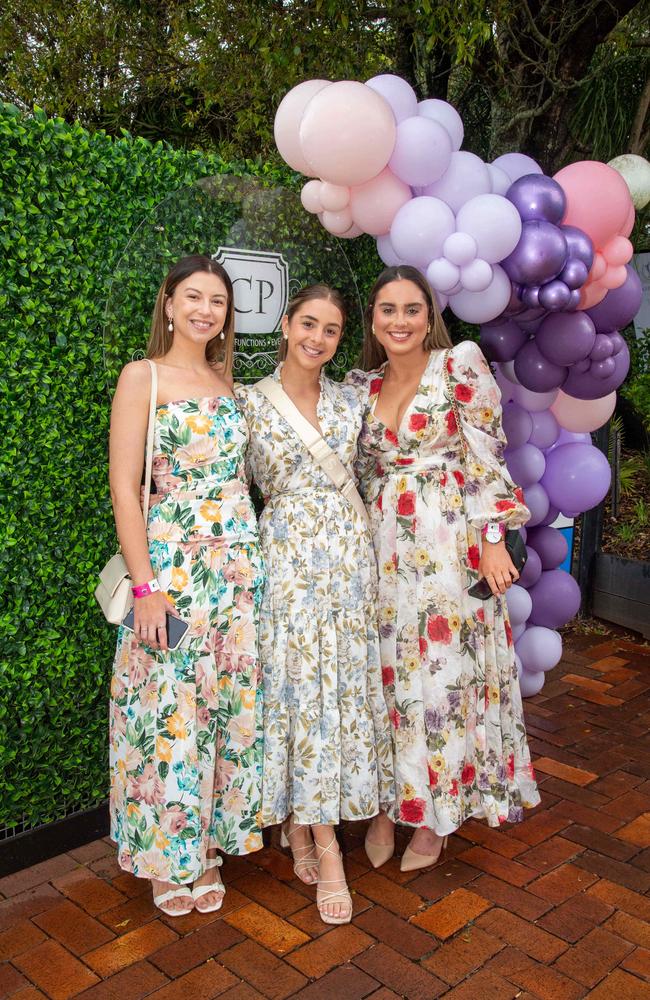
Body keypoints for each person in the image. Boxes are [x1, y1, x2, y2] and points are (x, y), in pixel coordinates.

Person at [346, 265, 539, 873]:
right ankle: (391, 804)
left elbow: (486, 454)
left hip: (448, 548)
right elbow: (358, 475)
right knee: (387, 679)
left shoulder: (458, 366)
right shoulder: (361, 387)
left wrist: (491, 539)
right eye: (387, 310)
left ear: (430, 317)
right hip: (382, 553)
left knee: (442, 679)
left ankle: (436, 819)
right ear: (373, 321)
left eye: (411, 309)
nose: (399, 321)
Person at [109, 255, 265, 916]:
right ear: (169, 304)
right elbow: (124, 486)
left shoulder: (229, 382)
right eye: (193, 297)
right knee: (167, 714)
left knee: (224, 712)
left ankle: (203, 845)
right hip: (172, 573)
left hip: (237, 576)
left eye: (218, 302)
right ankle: (162, 856)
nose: (206, 310)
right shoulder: (141, 377)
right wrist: (146, 588)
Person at [236, 284, 394, 924]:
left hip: (348, 568)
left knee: (337, 694)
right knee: (298, 693)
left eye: (330, 330)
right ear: (284, 324)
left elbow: (385, 473)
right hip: (287, 569)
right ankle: (325, 845)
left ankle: (306, 826)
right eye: (308, 324)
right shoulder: (246, 403)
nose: (317, 338)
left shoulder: (353, 402)